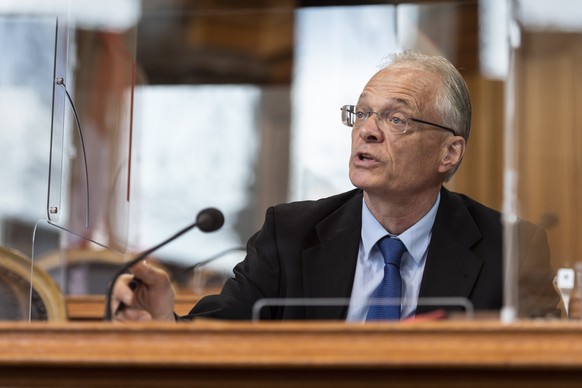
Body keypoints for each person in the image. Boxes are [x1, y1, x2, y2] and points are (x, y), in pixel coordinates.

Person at [112, 50, 559, 322]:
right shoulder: (289, 233)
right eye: (362, 113)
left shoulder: (511, 248)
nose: (367, 131)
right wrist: (164, 320)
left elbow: (547, 363)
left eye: (395, 118)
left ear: (450, 153)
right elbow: (225, 331)